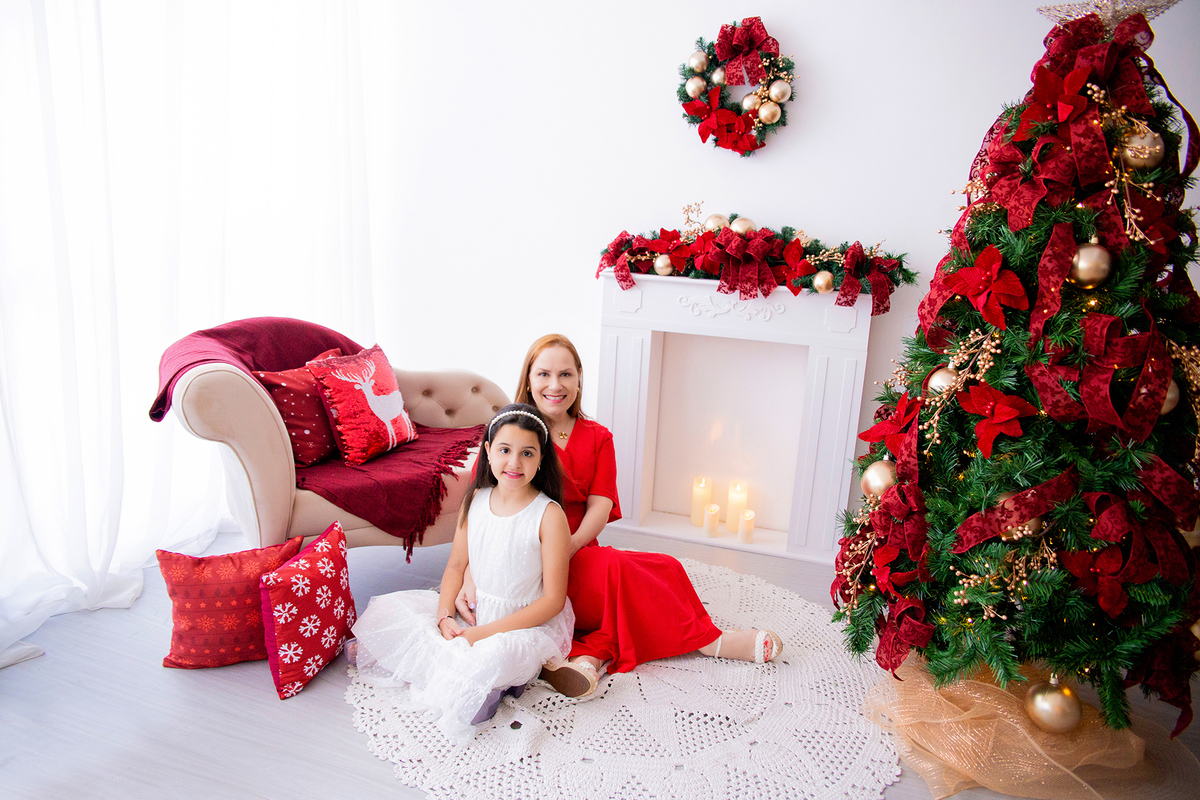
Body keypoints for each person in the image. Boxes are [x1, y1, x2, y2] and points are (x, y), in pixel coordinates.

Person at [457, 334, 782, 699]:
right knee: (620, 575)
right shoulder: (507, 435)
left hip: (577, 555)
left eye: (565, 374)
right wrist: (472, 571)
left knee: (663, 568)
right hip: (518, 565)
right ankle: (710, 642)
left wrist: (572, 545)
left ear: (579, 378)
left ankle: (588, 656)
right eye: (543, 374)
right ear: (528, 379)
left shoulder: (598, 437)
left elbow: (600, 504)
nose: (554, 385)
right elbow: (478, 510)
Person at [351, 403, 574, 744]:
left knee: (472, 696)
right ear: (487, 451)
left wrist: (482, 635)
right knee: (400, 620)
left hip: (520, 623)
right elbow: (456, 566)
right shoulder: (475, 500)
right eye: (504, 450)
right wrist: (444, 617)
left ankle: (516, 674)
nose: (514, 463)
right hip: (473, 612)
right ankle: (469, 668)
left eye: (527, 453)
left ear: (541, 458)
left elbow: (553, 600)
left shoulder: (548, 515)